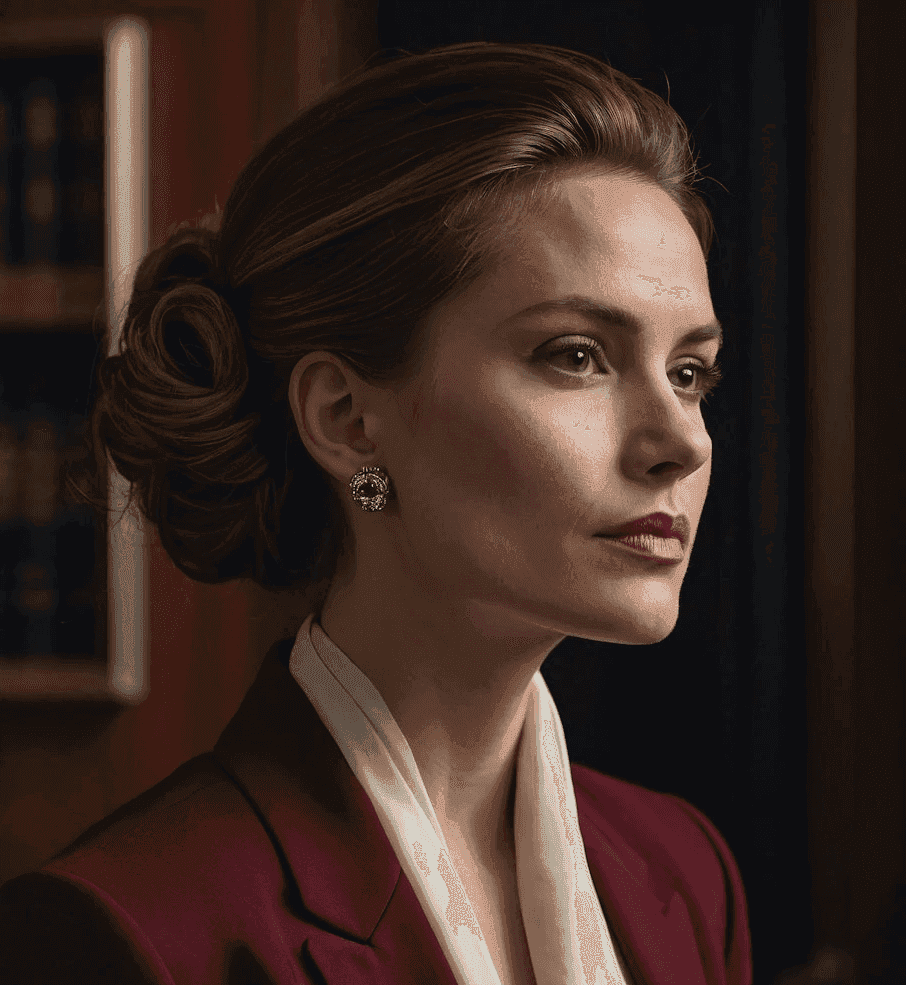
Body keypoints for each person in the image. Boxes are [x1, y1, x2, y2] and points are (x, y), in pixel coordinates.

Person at [0, 41, 752, 985]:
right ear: (348, 420)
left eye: (689, 373)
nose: (679, 440)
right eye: (575, 355)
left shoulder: (686, 873)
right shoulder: (126, 931)